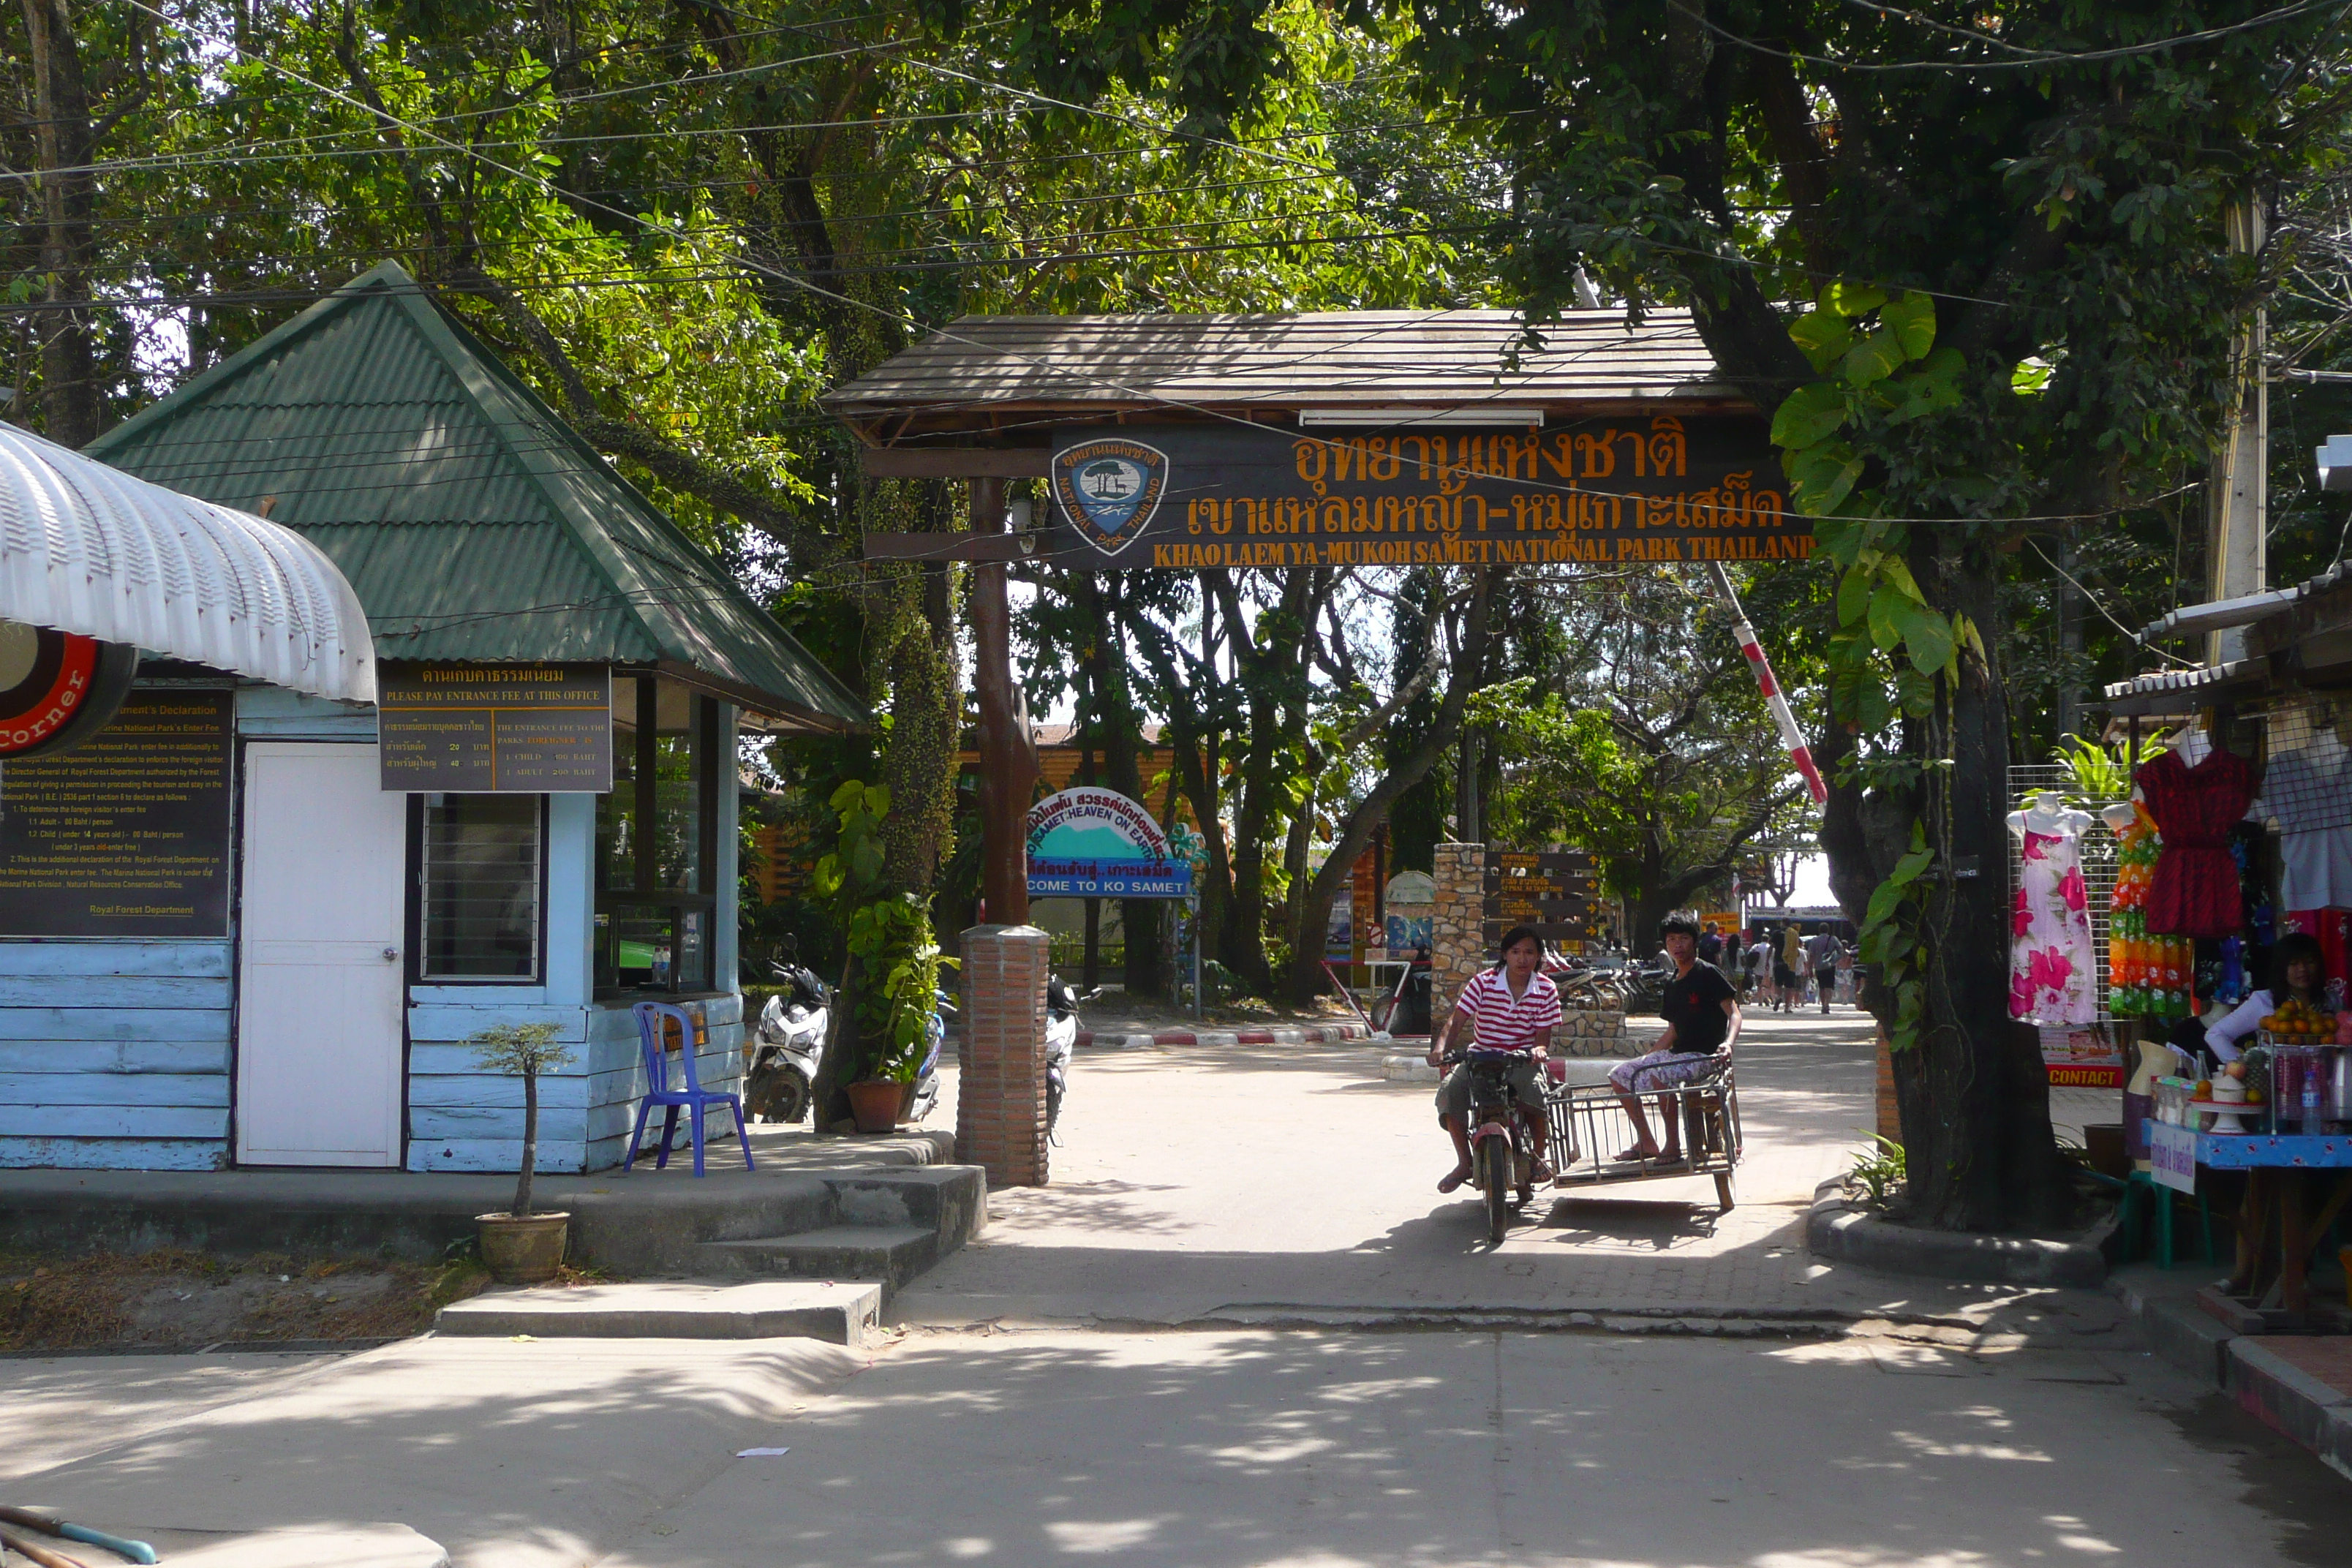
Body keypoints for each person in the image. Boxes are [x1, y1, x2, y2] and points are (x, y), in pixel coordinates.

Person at [1428, 925, 1561, 1192]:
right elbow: (1456, 1020)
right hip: (1481, 1057)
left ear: (1538, 957)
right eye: (1515, 952)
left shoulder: (1546, 989)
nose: (1522, 959)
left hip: (1521, 1060)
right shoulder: (1483, 982)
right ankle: (1464, 1161)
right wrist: (1440, 1049)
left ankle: (1538, 1157)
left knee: (1536, 1093)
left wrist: (1539, 1051)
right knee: (1451, 1091)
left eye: (1529, 953)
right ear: (1505, 955)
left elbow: (1543, 1036)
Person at [1611, 913, 1742, 1162]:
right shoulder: (1672, 983)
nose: (1678, 945)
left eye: (1684, 938)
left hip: (1706, 1056)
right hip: (1677, 1055)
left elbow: (1734, 1013)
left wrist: (1728, 1043)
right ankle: (1647, 1142)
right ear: (1666, 944)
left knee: (1660, 1073)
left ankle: (1672, 1145)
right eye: (1672, 940)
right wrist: (1646, 1058)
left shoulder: (1708, 973)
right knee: (1620, 1075)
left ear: (1695, 941)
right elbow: (1672, 1031)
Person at [2198, 932, 2329, 1063]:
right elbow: (2215, 1034)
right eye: (2293, 964)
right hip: (2277, 1081)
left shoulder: (2332, 1001)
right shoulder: (2263, 1000)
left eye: (2310, 962)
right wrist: (2243, 1069)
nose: (2302, 969)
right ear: (2281, 968)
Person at [1803, 926, 1840, 1014]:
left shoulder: (1815, 940)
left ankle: (1823, 1005)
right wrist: (1834, 960)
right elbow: (1841, 951)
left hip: (1819, 967)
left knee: (1822, 987)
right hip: (1830, 966)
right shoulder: (1834, 939)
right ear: (1828, 930)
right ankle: (1827, 1004)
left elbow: (1811, 955)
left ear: (1819, 930)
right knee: (1829, 987)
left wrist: (1810, 969)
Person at [1776, 924, 1804, 1014]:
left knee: (1778, 984)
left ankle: (1779, 997)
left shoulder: (1777, 934)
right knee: (1790, 986)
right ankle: (1787, 1006)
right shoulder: (1795, 936)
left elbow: (1771, 947)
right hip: (1791, 965)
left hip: (1779, 962)